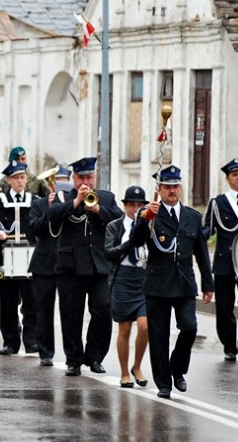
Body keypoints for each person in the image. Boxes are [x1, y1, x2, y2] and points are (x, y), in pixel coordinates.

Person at [130, 166, 213, 399]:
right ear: (159, 189)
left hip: (184, 283)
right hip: (157, 284)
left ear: (181, 187)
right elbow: (136, 242)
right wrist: (145, 219)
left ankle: (177, 369)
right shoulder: (150, 214)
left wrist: (208, 284)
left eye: (175, 186)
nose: (172, 191)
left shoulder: (192, 217)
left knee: (189, 328)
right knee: (159, 335)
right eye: (167, 187)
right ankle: (164, 382)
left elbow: (202, 254)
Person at [48, 157, 123, 376]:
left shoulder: (107, 198)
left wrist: (98, 209)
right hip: (70, 266)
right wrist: (76, 203)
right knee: (71, 314)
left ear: (95, 177)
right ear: (73, 178)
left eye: (89, 177)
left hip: (99, 265)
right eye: (81, 177)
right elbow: (51, 217)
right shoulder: (62, 197)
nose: (86, 182)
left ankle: (95, 356)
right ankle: (73, 359)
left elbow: (118, 219)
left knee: (102, 311)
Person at [0, 160, 37, 355]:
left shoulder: (35, 200)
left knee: (31, 302)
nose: (20, 181)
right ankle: (11, 342)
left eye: (22, 177)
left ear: (27, 179)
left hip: (29, 258)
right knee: (8, 302)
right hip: (4, 258)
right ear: (9, 180)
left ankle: (32, 340)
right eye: (16, 178)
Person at [202, 158, 238, 361]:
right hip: (225, 261)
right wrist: (198, 234)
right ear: (227, 178)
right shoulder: (218, 203)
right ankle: (229, 346)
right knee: (224, 306)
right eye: (234, 175)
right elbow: (208, 229)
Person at [105, 186, 149, 388]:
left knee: (145, 325)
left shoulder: (150, 225)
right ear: (125, 206)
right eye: (132, 204)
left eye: (140, 205)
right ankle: (124, 372)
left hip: (143, 279)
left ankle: (137, 365)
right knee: (124, 329)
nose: (135, 209)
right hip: (122, 278)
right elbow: (109, 252)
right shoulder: (115, 226)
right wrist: (130, 242)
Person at [28, 165, 71, 367]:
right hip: (44, 262)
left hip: (67, 263)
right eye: (57, 181)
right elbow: (33, 229)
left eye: (64, 181)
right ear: (50, 184)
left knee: (69, 310)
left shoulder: (74, 203)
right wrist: (51, 211)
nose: (60, 185)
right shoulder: (39, 204)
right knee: (43, 310)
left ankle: (72, 355)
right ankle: (45, 351)